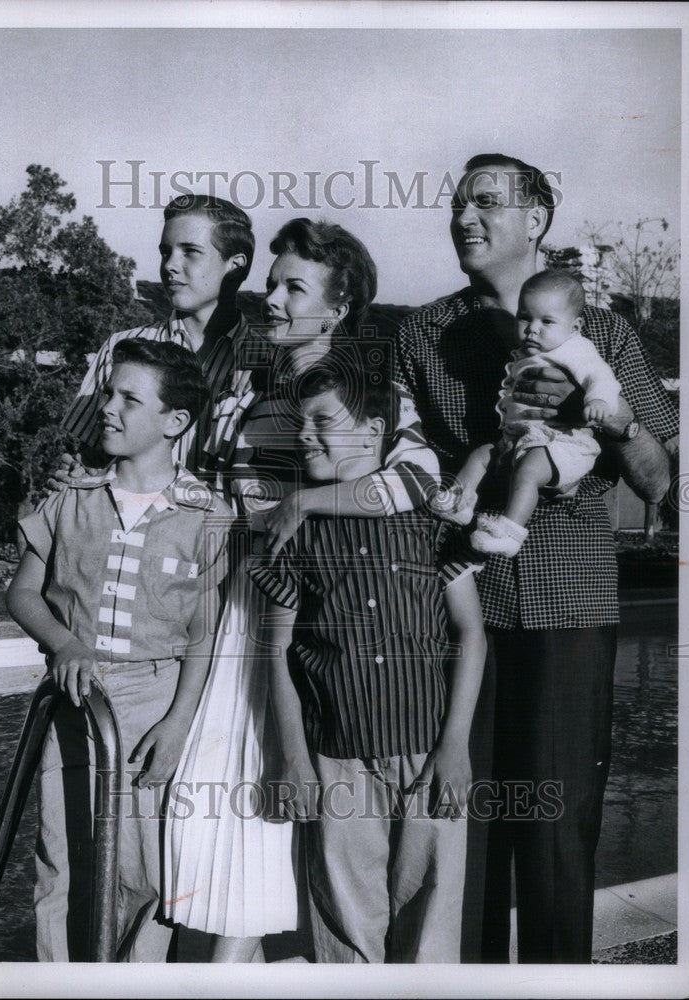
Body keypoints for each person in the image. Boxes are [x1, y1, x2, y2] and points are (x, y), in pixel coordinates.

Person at [395, 153, 678, 963]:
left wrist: (607, 416)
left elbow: (658, 476)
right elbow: (400, 463)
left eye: (486, 202)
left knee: (554, 844)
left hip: (567, 605)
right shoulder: (421, 332)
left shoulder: (607, 333)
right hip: (456, 607)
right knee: (464, 842)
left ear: (536, 221)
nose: (464, 218)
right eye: (456, 204)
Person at [162, 218, 442, 962]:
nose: (273, 301)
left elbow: (416, 481)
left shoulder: (372, 388)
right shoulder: (254, 388)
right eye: (272, 284)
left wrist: (302, 503)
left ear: (342, 303)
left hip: (330, 628)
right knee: (233, 818)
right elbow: (212, 493)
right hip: (248, 612)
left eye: (294, 287)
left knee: (294, 821)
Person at [247, 362, 486, 963]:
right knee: (346, 930)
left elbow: (471, 634)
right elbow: (275, 652)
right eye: (300, 424)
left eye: (324, 420)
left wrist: (455, 743)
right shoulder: (290, 532)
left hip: (427, 753)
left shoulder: (432, 524)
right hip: (336, 764)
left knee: (430, 929)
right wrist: (296, 762)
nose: (307, 434)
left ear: (375, 429)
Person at [6, 339, 234, 961]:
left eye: (128, 399)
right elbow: (24, 592)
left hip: (154, 706)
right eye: (109, 393)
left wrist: (180, 722)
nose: (107, 408)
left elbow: (203, 634)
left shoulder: (206, 516)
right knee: (62, 865)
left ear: (175, 422)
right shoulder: (71, 497)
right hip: (73, 701)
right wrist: (64, 641)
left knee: (144, 874)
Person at [61, 193, 255, 497]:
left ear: (235, 266)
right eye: (166, 252)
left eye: (190, 251)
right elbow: (88, 462)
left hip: (227, 537)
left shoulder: (268, 360)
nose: (170, 266)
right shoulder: (121, 348)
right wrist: (72, 475)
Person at [446, 270, 622, 556]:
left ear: (575, 326)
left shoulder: (575, 349)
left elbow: (601, 377)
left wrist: (599, 400)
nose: (532, 329)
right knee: (481, 455)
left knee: (528, 470)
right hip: (522, 438)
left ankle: (509, 533)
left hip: (563, 442)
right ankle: (459, 504)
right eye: (525, 317)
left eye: (547, 321)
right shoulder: (528, 351)